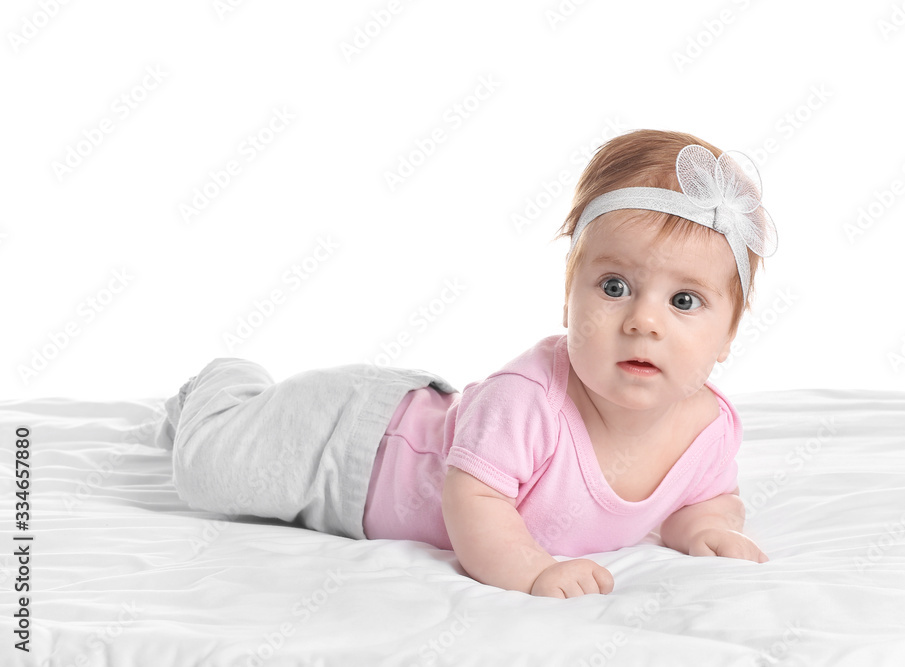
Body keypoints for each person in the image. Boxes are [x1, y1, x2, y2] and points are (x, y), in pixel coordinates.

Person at [156, 129, 776, 599]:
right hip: (351, 443)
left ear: (728, 333)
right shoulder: (530, 398)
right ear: (569, 297)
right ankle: (219, 386)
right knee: (206, 468)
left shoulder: (708, 427)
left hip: (387, 430)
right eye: (613, 287)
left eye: (685, 301)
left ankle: (235, 405)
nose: (644, 320)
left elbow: (709, 495)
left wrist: (703, 529)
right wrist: (530, 569)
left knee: (217, 459)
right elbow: (474, 499)